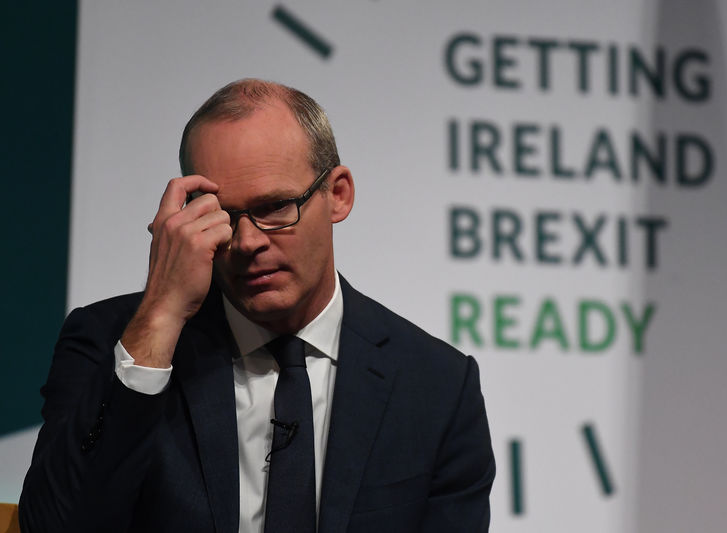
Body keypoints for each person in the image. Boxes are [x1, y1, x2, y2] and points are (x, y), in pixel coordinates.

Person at [19, 79, 495, 532]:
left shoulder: (435, 386)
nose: (246, 242)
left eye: (274, 208)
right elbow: (53, 525)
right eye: (219, 214)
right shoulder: (113, 340)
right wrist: (161, 315)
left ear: (338, 195)